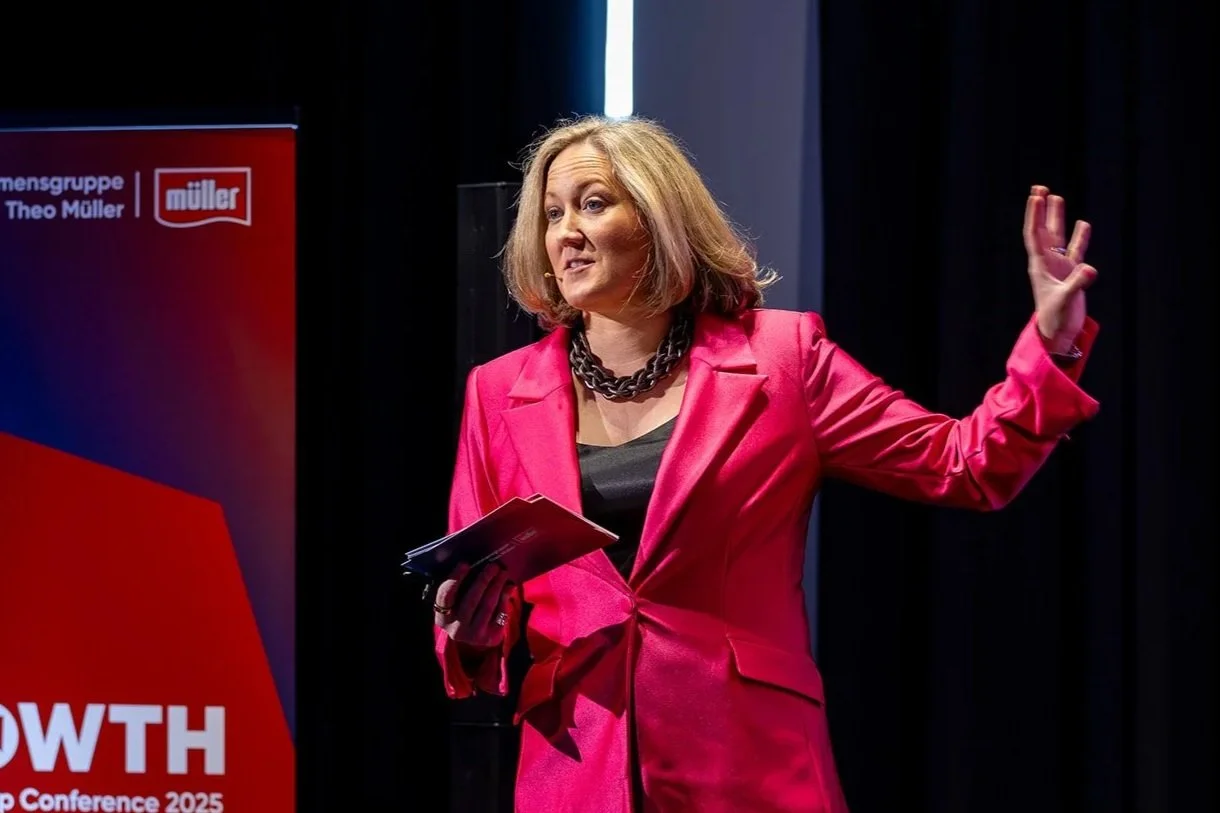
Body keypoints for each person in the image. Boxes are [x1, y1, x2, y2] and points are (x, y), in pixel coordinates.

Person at [430, 114, 1100, 813]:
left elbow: (964, 463)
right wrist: (471, 633)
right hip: (575, 770)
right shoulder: (498, 390)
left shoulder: (784, 359)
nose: (565, 231)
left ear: (660, 216)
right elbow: (479, 583)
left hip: (747, 762)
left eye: (593, 204)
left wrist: (1051, 346)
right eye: (551, 213)